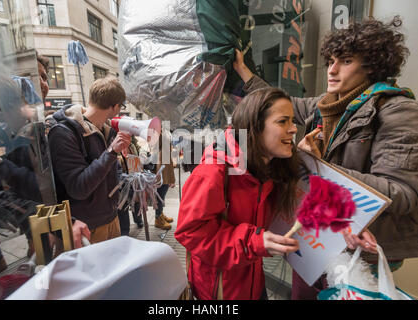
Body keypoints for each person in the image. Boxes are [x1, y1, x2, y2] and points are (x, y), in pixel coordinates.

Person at [233, 17, 418, 299]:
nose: (331, 69)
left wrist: (317, 166)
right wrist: (243, 72)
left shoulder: (399, 111)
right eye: (330, 60)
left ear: (373, 66)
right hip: (316, 237)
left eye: (345, 61)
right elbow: (280, 103)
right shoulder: (326, 104)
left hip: (359, 251)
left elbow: (401, 193)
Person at [0, 53, 91, 284]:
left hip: (61, 226)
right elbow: (14, 188)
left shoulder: (47, 128)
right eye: (38, 78)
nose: (44, 84)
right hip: (42, 226)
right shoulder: (12, 133)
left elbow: (45, 187)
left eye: (45, 77)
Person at [174, 88, 300, 300]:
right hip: (219, 292)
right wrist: (254, 242)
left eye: (293, 121)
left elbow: (301, 206)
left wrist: (342, 228)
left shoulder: (275, 166)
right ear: (255, 127)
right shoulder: (213, 171)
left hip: (254, 284)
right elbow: (190, 232)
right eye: (283, 122)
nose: (294, 129)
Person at [47, 76, 131, 244]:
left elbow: (112, 169)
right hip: (85, 227)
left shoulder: (107, 131)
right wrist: (111, 152)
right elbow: (79, 187)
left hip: (110, 218)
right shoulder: (64, 133)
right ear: (115, 107)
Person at [117, 136, 144, 236]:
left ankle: (138, 219)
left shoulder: (132, 144)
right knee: (123, 205)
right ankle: (125, 231)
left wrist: (141, 156)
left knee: (136, 200)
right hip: (122, 179)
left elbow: (139, 151)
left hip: (134, 175)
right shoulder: (115, 145)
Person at [154, 131, 176, 230]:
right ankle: (158, 218)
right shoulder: (156, 132)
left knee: (162, 195)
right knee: (160, 195)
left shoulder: (163, 131)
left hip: (166, 164)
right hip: (161, 165)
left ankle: (160, 214)